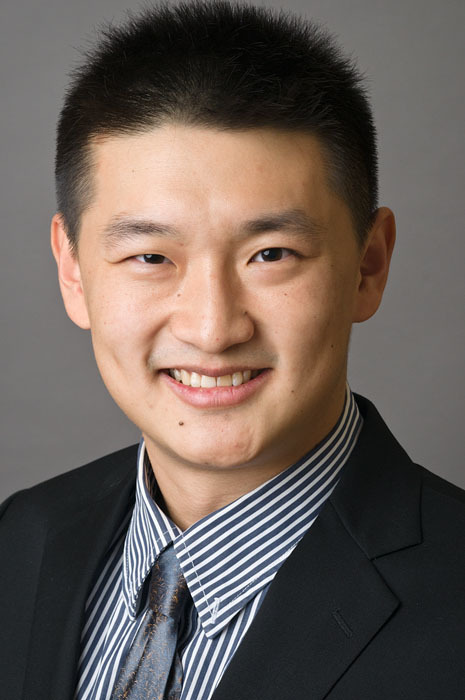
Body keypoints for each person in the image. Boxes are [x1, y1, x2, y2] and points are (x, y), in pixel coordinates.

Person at [1, 1, 464, 698]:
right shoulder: (19, 540)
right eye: (152, 256)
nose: (213, 330)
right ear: (73, 272)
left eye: (271, 254)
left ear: (367, 265)